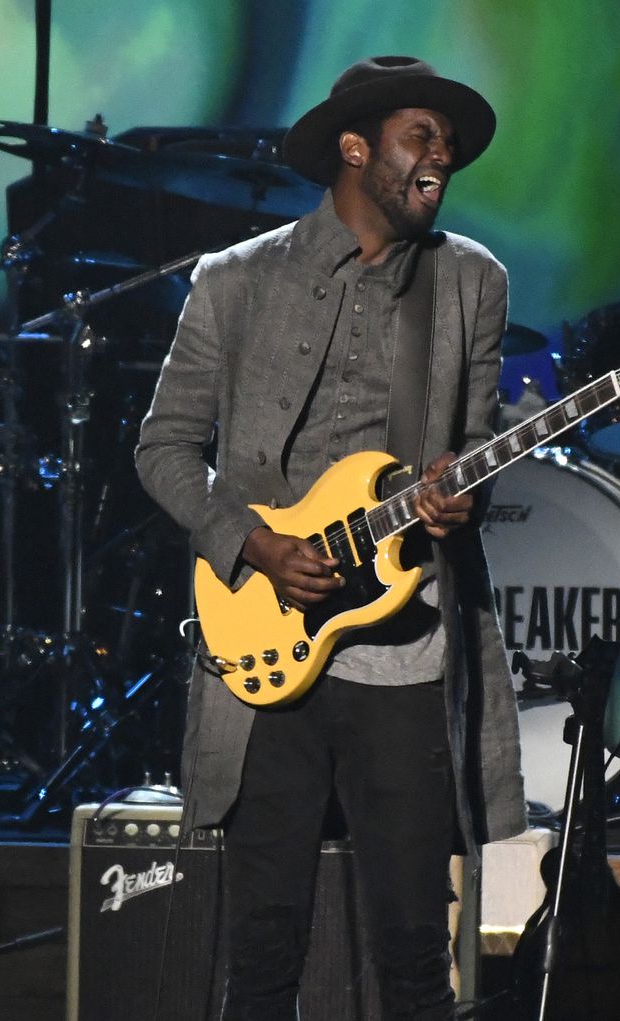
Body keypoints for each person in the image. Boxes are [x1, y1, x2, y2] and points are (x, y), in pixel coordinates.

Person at [135, 55, 526, 1021]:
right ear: (356, 147)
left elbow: (472, 445)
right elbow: (165, 447)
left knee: (410, 950)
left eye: (451, 142)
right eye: (421, 135)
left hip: (406, 655)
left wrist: (456, 495)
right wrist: (255, 545)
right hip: (267, 648)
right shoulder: (234, 281)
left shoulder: (472, 282)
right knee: (263, 947)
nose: (443, 155)